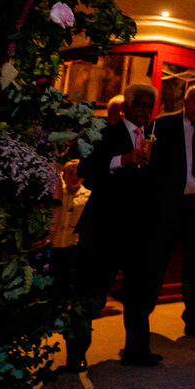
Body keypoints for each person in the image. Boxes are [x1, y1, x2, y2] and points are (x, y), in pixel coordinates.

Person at [72, 83, 162, 367]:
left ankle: (138, 351)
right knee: (92, 292)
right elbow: (85, 171)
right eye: (140, 105)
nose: (145, 110)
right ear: (127, 107)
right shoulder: (105, 133)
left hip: (140, 229)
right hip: (105, 227)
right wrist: (121, 159)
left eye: (150, 105)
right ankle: (76, 355)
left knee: (138, 292)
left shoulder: (154, 138)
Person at [146, 84, 195, 337]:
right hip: (168, 206)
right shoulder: (164, 125)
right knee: (156, 262)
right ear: (185, 102)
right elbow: (152, 165)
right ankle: (141, 318)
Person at [50, 158, 91, 371]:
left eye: (77, 173)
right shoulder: (58, 194)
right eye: (69, 173)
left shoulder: (88, 196)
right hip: (57, 251)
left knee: (79, 309)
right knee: (57, 303)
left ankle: (76, 354)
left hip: (77, 253)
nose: (73, 178)